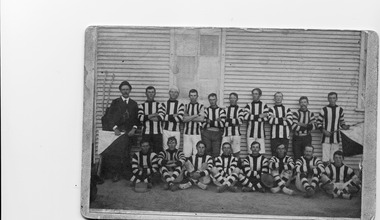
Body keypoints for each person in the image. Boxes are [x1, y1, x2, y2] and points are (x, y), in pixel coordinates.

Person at [100, 81, 139, 182]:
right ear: (120, 91)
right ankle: (116, 174)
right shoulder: (115, 102)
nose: (125, 91)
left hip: (128, 133)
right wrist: (115, 128)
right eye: (123, 89)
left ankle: (126, 174)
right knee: (116, 155)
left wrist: (134, 129)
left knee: (127, 153)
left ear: (130, 90)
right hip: (118, 133)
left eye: (127, 89)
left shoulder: (134, 104)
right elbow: (109, 117)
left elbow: (136, 119)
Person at [317, 92, 349, 165]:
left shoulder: (340, 110)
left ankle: (333, 174)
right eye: (330, 98)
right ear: (328, 99)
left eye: (334, 98)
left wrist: (345, 126)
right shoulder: (324, 109)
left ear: (336, 99)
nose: (332, 100)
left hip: (336, 138)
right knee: (325, 158)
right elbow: (318, 123)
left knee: (334, 158)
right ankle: (325, 173)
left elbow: (342, 122)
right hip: (326, 138)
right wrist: (324, 131)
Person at [138, 86, 164, 154]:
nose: (151, 94)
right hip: (146, 133)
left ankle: (157, 164)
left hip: (157, 133)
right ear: (146, 93)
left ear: (155, 93)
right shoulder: (141, 105)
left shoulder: (159, 105)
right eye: (149, 92)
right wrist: (154, 114)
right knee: (146, 152)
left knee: (158, 152)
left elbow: (161, 117)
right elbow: (140, 118)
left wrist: (146, 117)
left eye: (152, 92)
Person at [244, 88, 269, 154]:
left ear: (260, 95)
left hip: (260, 133)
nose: (254, 95)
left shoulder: (264, 105)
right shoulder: (249, 105)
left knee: (260, 152)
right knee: (250, 152)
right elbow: (246, 116)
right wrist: (259, 116)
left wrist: (252, 116)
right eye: (253, 94)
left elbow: (266, 118)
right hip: (250, 133)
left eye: (256, 94)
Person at [202, 93, 226, 158]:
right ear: (208, 100)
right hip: (207, 133)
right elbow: (203, 124)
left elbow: (222, 124)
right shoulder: (206, 110)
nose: (212, 101)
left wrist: (210, 121)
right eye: (210, 100)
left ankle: (215, 167)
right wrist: (216, 121)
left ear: (216, 100)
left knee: (216, 152)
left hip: (217, 133)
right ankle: (208, 167)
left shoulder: (221, 110)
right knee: (207, 151)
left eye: (214, 99)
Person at [183, 89, 204, 157]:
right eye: (191, 95)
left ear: (197, 96)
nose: (193, 97)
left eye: (194, 95)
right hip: (187, 133)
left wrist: (188, 117)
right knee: (186, 154)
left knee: (196, 153)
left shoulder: (201, 106)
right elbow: (184, 119)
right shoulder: (186, 106)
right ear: (189, 96)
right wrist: (196, 115)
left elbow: (201, 119)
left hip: (197, 133)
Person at [222, 92, 245, 158]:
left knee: (236, 152)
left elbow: (240, 121)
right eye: (231, 98)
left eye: (234, 98)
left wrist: (228, 120)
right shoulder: (225, 110)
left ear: (237, 99)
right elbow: (223, 122)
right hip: (226, 134)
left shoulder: (240, 110)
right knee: (224, 151)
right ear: (229, 99)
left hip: (236, 134)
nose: (232, 100)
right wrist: (234, 121)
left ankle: (236, 166)